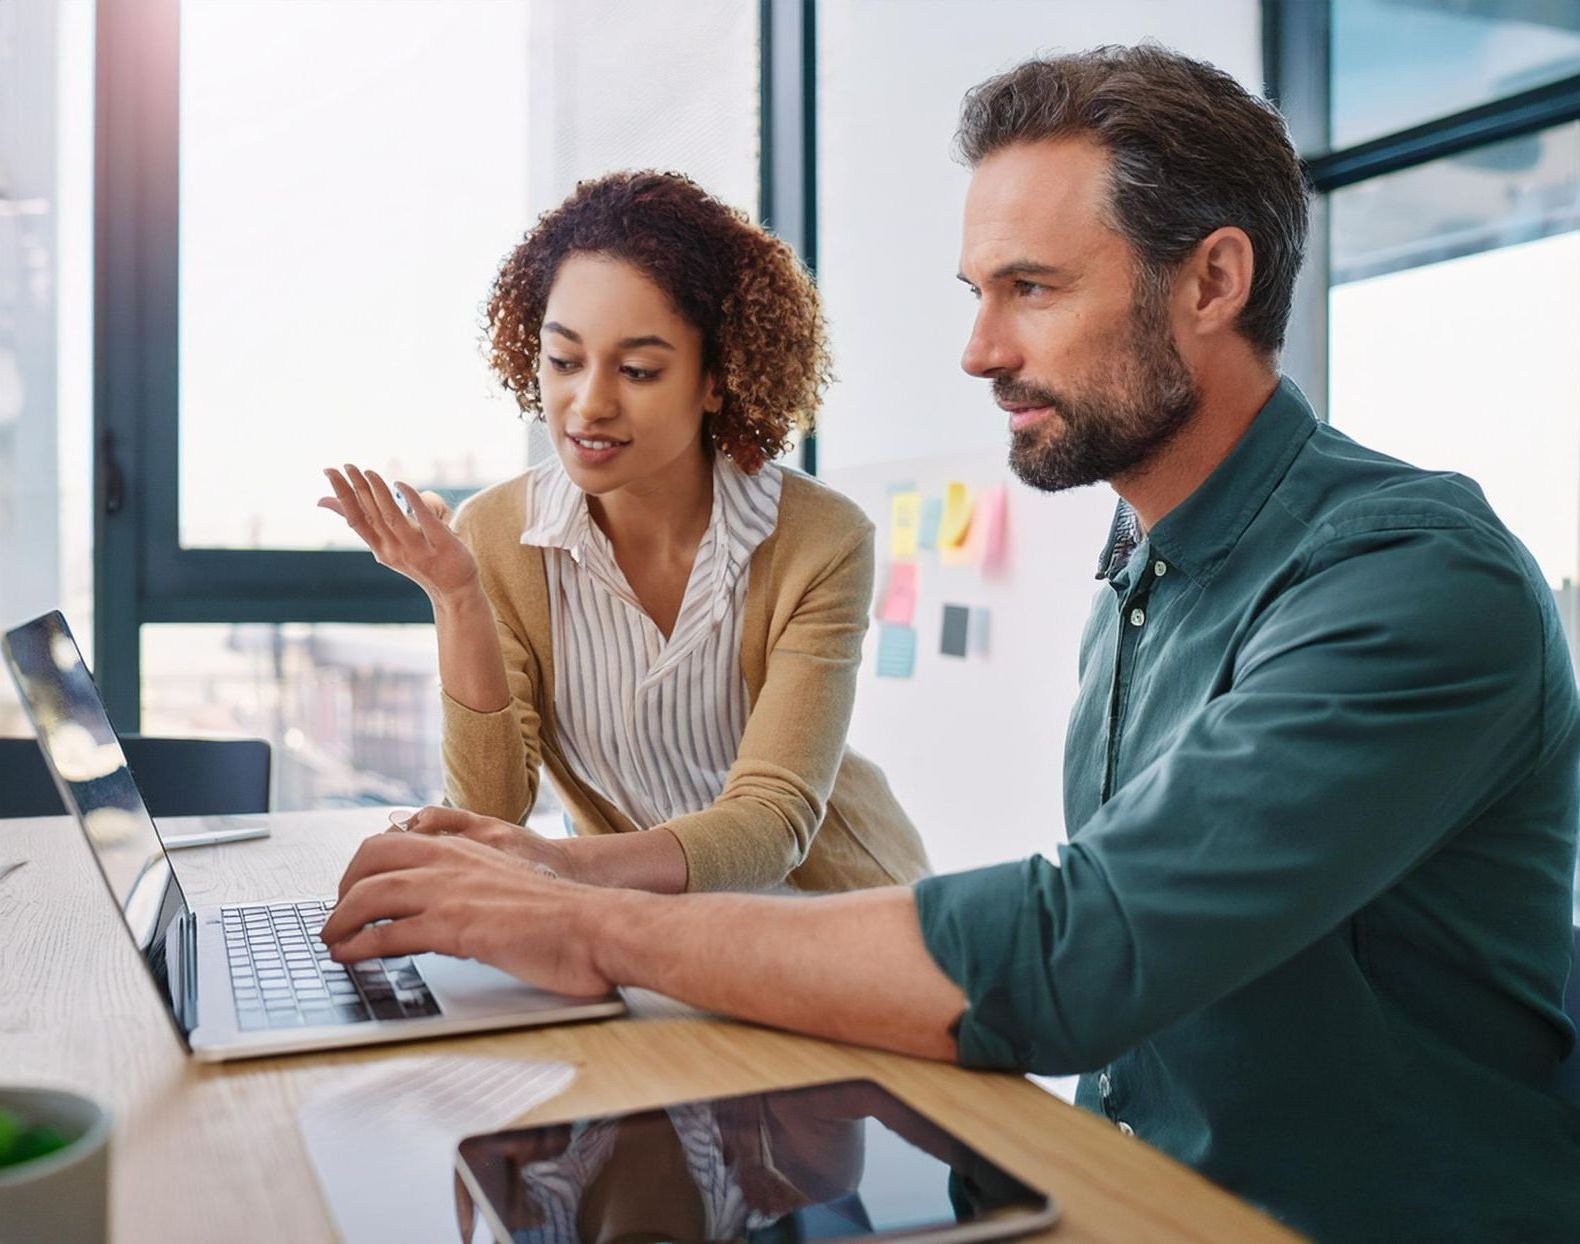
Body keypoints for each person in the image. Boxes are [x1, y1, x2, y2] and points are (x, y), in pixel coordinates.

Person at [322, 46, 1580, 1240]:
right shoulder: (1150, 565)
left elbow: (1080, 949)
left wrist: (586, 916)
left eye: (1030, 288)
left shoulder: (1408, 578)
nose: (978, 351)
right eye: (978, 295)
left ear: (1210, 282)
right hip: (1115, 1183)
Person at [320, 170, 928, 895]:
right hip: (649, 931)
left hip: (842, 914)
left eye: (638, 370)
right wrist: (457, 598)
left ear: (715, 378)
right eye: (564, 361)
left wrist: (559, 865)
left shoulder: (820, 540)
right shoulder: (499, 534)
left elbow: (772, 822)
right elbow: (492, 811)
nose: (589, 403)